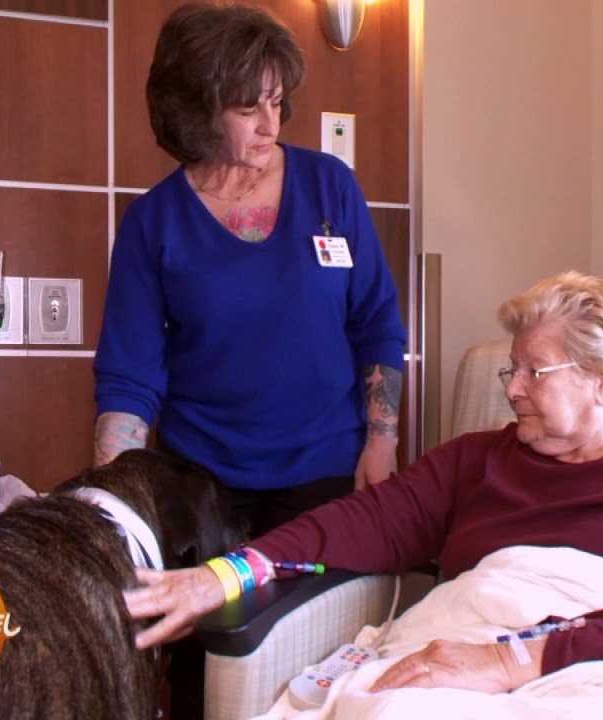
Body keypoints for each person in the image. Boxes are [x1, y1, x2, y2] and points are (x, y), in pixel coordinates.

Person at [124, 270, 603, 699]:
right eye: (511, 370)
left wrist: (513, 659)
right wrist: (229, 572)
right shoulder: (476, 461)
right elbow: (362, 523)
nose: (512, 389)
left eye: (535, 371)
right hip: (454, 664)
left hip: (590, 680)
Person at [93, 5, 406, 717]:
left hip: (326, 473)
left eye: (277, 101)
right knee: (208, 676)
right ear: (197, 112)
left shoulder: (330, 188)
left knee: (319, 666)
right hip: (204, 490)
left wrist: (381, 441)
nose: (271, 124)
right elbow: (129, 381)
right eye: (247, 108)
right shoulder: (152, 224)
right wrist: (118, 509)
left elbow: (377, 324)